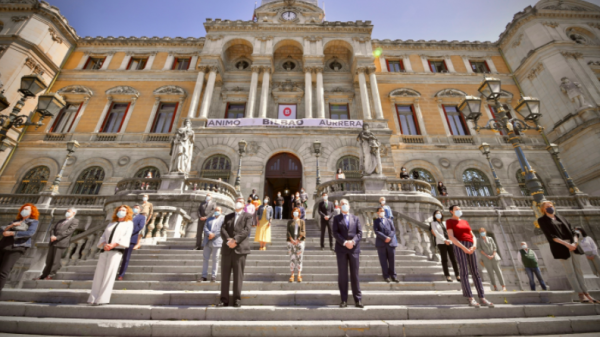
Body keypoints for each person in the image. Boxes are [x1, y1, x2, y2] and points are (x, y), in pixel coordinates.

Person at [538, 201, 598, 303]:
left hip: (573, 245)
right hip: (561, 247)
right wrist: (567, 245)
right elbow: (551, 236)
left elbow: (573, 231)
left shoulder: (561, 217)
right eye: (548, 207)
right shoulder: (542, 220)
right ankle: (580, 294)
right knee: (570, 272)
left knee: (579, 270)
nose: (550, 208)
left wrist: (574, 243)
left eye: (551, 206)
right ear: (543, 209)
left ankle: (587, 293)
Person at [446, 205, 494, 308]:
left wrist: (474, 246)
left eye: (459, 209)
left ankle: (482, 297)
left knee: (475, 272)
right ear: (451, 211)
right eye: (456, 209)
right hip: (460, 246)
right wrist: (463, 248)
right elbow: (451, 236)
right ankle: (470, 298)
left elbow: (472, 235)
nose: (459, 210)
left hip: (471, 246)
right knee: (464, 272)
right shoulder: (449, 221)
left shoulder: (465, 222)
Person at [88, 205, 134, 305]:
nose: (121, 211)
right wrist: (104, 244)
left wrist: (114, 244)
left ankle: (102, 299)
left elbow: (126, 237)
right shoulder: (111, 223)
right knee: (98, 274)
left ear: (127, 213)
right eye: (119, 210)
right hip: (105, 250)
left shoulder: (129, 223)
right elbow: (103, 236)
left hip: (116, 250)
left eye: (123, 210)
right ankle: (93, 298)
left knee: (109, 274)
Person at [218, 197, 253, 308]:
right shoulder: (228, 216)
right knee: (225, 276)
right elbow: (222, 229)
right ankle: (224, 300)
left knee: (238, 276)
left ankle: (237, 299)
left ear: (244, 205)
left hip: (240, 249)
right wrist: (228, 240)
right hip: (227, 249)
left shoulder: (248, 216)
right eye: (237, 201)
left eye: (241, 201)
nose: (238, 202)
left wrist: (235, 240)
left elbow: (246, 230)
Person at [1, 203, 39, 294]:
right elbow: (1, 229)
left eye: (26, 209)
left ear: (32, 212)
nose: (24, 210)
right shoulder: (15, 221)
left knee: (3, 271)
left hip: (17, 247)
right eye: (23, 208)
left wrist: (12, 233)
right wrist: (10, 226)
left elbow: (30, 233)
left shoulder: (33, 222)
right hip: (4, 245)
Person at [332, 199, 363, 308]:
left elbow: (360, 233)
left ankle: (358, 299)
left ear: (349, 206)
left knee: (355, 274)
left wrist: (353, 242)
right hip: (341, 249)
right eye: (342, 204)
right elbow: (335, 233)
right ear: (339, 207)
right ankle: (344, 300)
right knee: (343, 275)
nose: (344, 205)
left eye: (345, 204)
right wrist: (345, 242)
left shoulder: (356, 218)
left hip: (354, 249)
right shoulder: (336, 219)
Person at [37, 208, 79, 280]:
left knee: (56, 261)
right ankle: (43, 275)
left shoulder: (75, 221)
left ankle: (51, 275)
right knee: (49, 260)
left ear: (74, 213)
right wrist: (52, 236)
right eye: (66, 211)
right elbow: (53, 229)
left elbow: (69, 231)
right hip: (53, 241)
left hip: (61, 242)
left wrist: (57, 237)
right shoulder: (61, 221)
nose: (67, 213)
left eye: (68, 212)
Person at [117, 205, 146, 281]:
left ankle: (121, 274)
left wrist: (129, 233)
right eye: (134, 207)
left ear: (140, 210)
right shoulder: (127, 215)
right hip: (120, 239)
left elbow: (140, 227)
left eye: (137, 208)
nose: (135, 209)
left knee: (126, 258)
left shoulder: (141, 217)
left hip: (131, 238)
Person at [430, 210, 460, 283]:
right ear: (434, 215)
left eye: (439, 213)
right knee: (444, 259)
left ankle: (457, 275)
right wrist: (444, 240)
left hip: (450, 241)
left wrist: (450, 240)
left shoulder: (445, 222)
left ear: (442, 214)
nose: (438, 214)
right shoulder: (433, 223)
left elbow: (450, 231)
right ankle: (447, 275)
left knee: (453, 259)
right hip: (441, 242)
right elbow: (436, 232)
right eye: (436, 213)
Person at [373, 207, 399, 283]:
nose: (382, 212)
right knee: (383, 261)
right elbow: (376, 231)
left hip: (391, 243)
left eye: (383, 211)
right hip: (381, 244)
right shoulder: (376, 221)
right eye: (381, 211)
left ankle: (393, 276)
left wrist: (389, 237)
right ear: (377, 212)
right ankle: (386, 276)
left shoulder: (389, 220)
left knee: (392, 261)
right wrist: (384, 238)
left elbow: (393, 230)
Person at [201, 206, 224, 282]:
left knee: (215, 259)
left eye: (218, 210)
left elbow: (222, 229)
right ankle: (204, 276)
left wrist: (214, 234)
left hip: (217, 241)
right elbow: (205, 227)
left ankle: (213, 276)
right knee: (205, 259)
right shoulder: (209, 219)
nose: (216, 211)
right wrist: (209, 234)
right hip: (207, 240)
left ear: (221, 211)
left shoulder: (223, 219)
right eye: (215, 210)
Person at [288, 208, 306, 283]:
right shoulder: (290, 222)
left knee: (299, 258)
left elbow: (303, 231)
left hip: (300, 241)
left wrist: (298, 239)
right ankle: (292, 274)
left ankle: (299, 274)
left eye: (297, 212)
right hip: (290, 242)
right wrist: (291, 239)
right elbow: (288, 231)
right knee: (292, 258)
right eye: (294, 212)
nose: (295, 213)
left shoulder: (302, 221)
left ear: (299, 213)